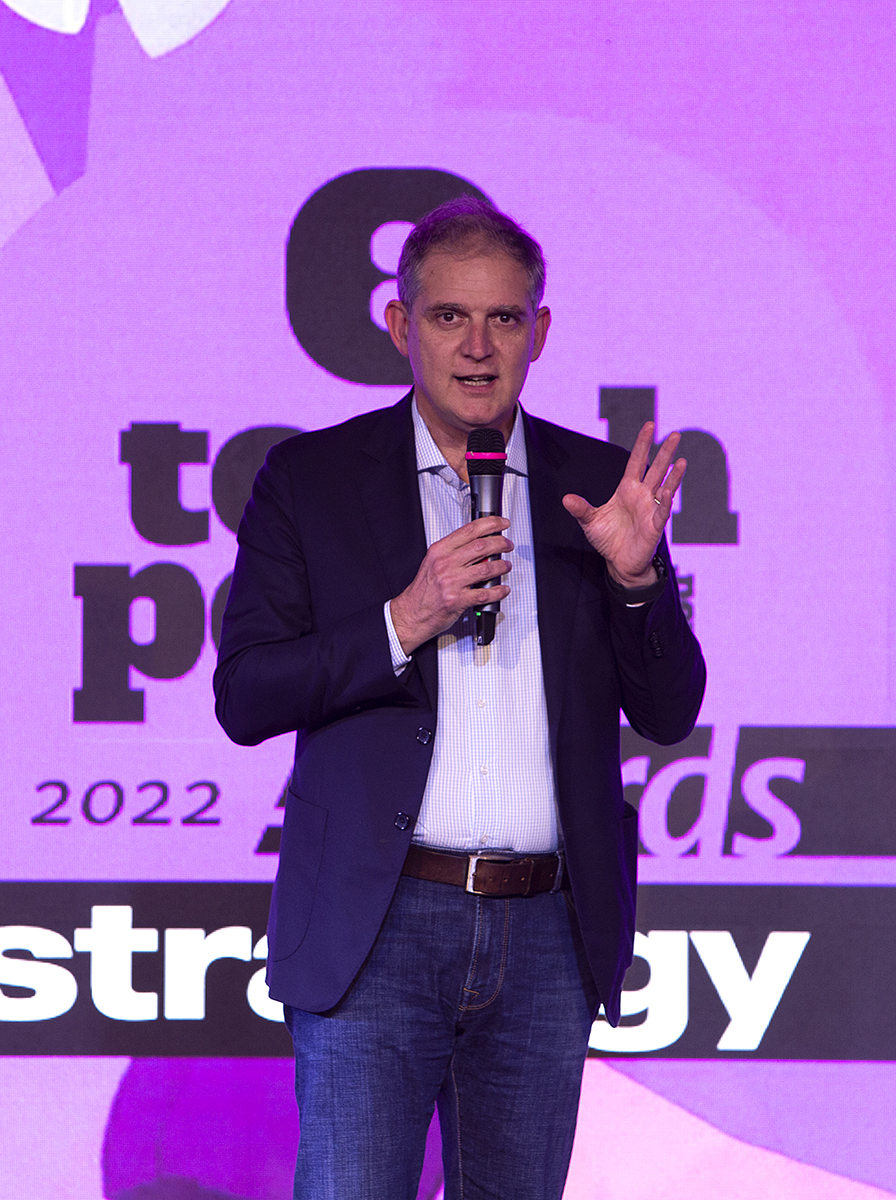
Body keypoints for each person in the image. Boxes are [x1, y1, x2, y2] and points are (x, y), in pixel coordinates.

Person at [213, 196, 706, 1199]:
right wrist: (406, 618)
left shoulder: (597, 488)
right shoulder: (311, 479)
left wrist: (636, 581)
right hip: (375, 925)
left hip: (545, 934)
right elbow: (246, 693)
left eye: (504, 319)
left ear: (540, 332)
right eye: (449, 317)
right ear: (401, 326)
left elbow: (668, 712)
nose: (478, 348)